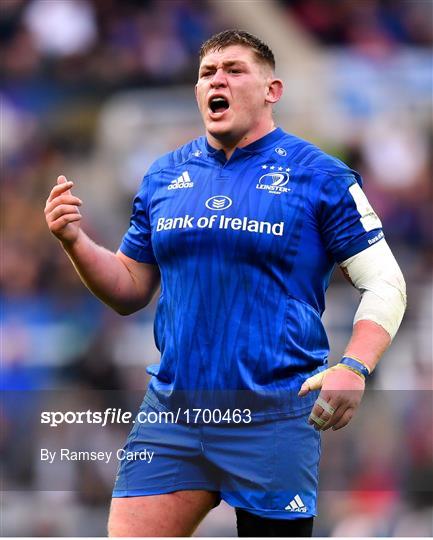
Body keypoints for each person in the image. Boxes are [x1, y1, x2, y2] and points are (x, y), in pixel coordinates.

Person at [44, 30, 406, 537]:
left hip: (273, 416)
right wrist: (75, 241)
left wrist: (354, 365)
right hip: (174, 412)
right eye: (207, 73)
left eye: (234, 70)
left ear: (271, 89)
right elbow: (128, 289)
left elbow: (386, 283)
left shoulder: (322, 177)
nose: (218, 80)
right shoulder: (164, 177)